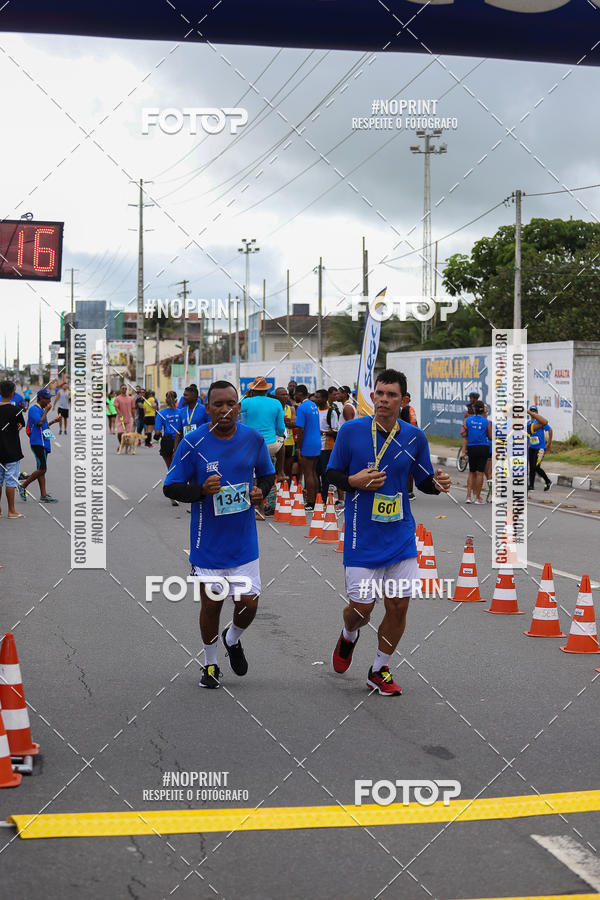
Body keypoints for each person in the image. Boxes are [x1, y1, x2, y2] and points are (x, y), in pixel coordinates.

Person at [327, 369, 451, 695]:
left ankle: (379, 669)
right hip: (362, 536)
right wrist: (352, 481)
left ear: (403, 400)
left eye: (391, 395)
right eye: (379, 393)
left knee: (398, 607)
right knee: (361, 610)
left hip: (400, 535)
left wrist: (437, 483)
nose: (383, 400)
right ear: (373, 396)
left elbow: (424, 481)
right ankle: (349, 635)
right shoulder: (351, 431)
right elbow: (331, 474)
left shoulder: (414, 437)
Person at [163, 381, 276, 689]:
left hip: (243, 541)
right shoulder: (193, 442)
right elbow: (170, 487)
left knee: (248, 604)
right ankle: (210, 663)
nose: (225, 410)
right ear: (208, 408)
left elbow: (267, 475)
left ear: (238, 406)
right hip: (207, 542)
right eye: (218, 404)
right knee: (212, 605)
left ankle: (232, 638)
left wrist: (260, 491)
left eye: (231, 404)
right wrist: (200, 490)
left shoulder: (253, 439)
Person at [21, 388, 60, 502]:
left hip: (44, 442)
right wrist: (46, 411)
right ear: (41, 398)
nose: (49, 401)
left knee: (42, 469)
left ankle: (43, 495)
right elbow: (39, 423)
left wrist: (53, 421)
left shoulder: (41, 409)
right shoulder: (34, 409)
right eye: (47, 399)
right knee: (42, 469)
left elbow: (44, 426)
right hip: (37, 442)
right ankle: (22, 486)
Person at [240, 376, 286, 465]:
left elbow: (233, 408)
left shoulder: (247, 401)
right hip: (271, 446)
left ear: (253, 390)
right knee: (281, 438)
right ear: (266, 390)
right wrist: (280, 435)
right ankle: (280, 471)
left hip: (252, 445)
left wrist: (244, 396)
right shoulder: (276, 403)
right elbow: (281, 428)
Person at [0, 380, 26, 518]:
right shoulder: (16, 411)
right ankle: (11, 511)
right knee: (10, 481)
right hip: (12, 451)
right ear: (12, 393)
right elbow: (20, 424)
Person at [294, 384, 321, 509]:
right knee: (314, 472)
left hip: (308, 443)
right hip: (317, 441)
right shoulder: (313, 405)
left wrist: (298, 447)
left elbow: (301, 430)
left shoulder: (301, 408)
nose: (294, 396)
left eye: (295, 393)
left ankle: (311, 502)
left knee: (308, 473)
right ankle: (316, 499)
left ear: (300, 394)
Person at [154, 391, 181, 505]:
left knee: (170, 469)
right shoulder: (181, 412)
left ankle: (172, 493)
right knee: (180, 468)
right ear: (176, 400)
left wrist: (156, 436)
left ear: (166, 401)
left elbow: (157, 431)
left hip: (167, 441)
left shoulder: (161, 413)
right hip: (180, 441)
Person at [462, 400, 492, 504]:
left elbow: (464, 433)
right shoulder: (486, 422)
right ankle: (478, 498)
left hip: (471, 447)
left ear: (474, 409)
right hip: (483, 447)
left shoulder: (468, 420)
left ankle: (468, 497)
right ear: (483, 410)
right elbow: (490, 436)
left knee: (471, 472)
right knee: (480, 473)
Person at [174, 384, 209, 451]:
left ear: (194, 397)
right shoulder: (182, 412)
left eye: (186, 395)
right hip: (186, 446)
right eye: (184, 395)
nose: (183, 397)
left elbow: (210, 429)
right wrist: (175, 450)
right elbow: (178, 433)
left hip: (201, 446)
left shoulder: (204, 410)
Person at [528, 406, 552, 492]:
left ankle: (548, 481)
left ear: (537, 412)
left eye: (534, 411)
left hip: (540, 448)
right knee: (531, 467)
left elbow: (550, 430)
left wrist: (549, 443)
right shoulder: (528, 423)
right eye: (531, 411)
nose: (533, 413)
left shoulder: (539, 422)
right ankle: (531, 486)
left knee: (536, 467)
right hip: (531, 448)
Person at [275, 386, 296, 482]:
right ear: (276, 396)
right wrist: (283, 420)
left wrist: (285, 421)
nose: (285, 396)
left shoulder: (291, 408)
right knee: (277, 469)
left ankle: (288, 489)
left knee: (288, 469)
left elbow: (294, 423)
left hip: (289, 442)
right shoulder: (274, 408)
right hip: (277, 442)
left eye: (286, 394)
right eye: (282, 394)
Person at [113, 385, 136, 451]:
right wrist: (119, 413)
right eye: (123, 388)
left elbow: (133, 409)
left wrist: (134, 418)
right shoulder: (117, 398)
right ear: (120, 389)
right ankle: (121, 444)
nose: (124, 389)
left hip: (128, 419)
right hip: (120, 419)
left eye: (125, 388)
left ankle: (126, 447)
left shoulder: (130, 398)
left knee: (127, 435)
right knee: (120, 433)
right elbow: (116, 407)